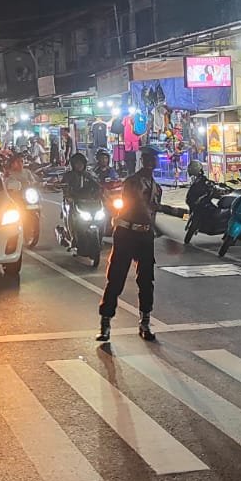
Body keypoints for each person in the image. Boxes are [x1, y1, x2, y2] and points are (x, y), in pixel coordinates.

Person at [97, 146, 163, 344]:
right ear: (142, 161)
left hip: (144, 236)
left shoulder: (157, 188)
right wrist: (171, 213)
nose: (150, 162)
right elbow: (141, 206)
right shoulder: (132, 182)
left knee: (146, 280)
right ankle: (105, 323)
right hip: (126, 233)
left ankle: (145, 322)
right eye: (147, 159)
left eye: (153, 159)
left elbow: (151, 214)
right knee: (116, 279)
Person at [183, 159, 222, 244]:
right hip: (196, 202)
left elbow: (210, 186)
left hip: (202, 201)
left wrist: (213, 188)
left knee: (215, 212)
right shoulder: (195, 180)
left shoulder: (203, 180)